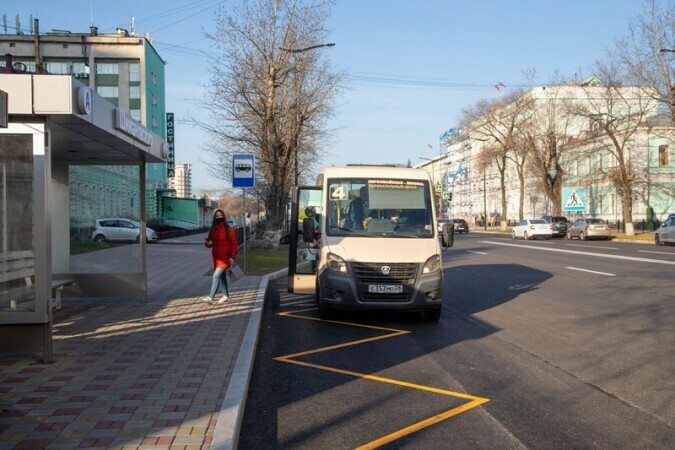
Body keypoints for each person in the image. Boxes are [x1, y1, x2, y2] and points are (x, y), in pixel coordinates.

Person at [203, 209, 238, 304]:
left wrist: (232, 257)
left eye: (220, 215)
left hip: (225, 258)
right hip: (216, 258)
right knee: (222, 278)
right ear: (214, 218)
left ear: (224, 216)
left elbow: (234, 244)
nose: (219, 217)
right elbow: (210, 243)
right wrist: (208, 243)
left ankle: (211, 297)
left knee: (215, 276)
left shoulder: (229, 230)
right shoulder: (213, 230)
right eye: (217, 216)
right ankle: (226, 295)